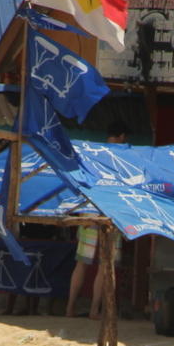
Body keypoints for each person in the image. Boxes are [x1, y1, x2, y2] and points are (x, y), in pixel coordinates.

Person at [65, 122, 129, 319]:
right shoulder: (122, 157)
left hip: (88, 211)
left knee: (81, 263)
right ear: (123, 136)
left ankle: (70, 308)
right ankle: (94, 310)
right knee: (104, 266)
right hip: (109, 213)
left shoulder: (93, 153)